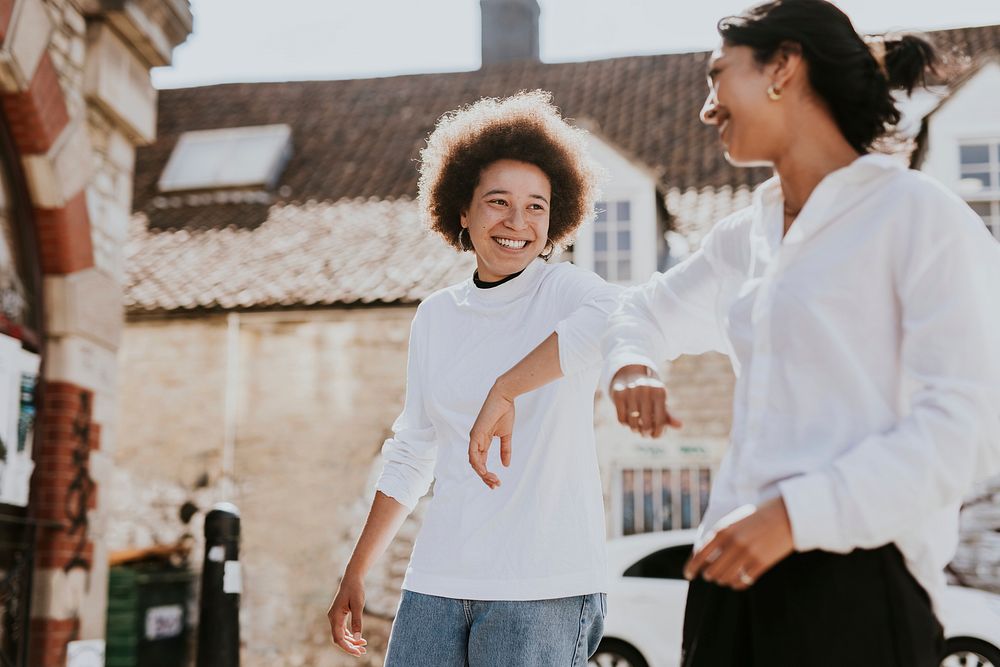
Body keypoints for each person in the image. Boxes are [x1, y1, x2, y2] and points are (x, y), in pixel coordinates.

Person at [602, 1, 1000, 665]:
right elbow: (637, 309)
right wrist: (631, 361)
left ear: (782, 67)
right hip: (725, 591)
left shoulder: (920, 216)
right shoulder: (742, 239)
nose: (707, 107)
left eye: (717, 75)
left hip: (857, 588)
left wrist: (793, 516)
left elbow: (969, 424)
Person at [327, 90, 620, 666]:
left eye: (537, 206)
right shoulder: (436, 315)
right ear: (462, 210)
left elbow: (618, 320)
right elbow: (414, 449)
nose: (517, 222)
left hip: (542, 588)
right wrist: (356, 571)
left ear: (556, 216)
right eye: (498, 202)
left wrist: (506, 387)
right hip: (437, 581)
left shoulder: (565, 291)